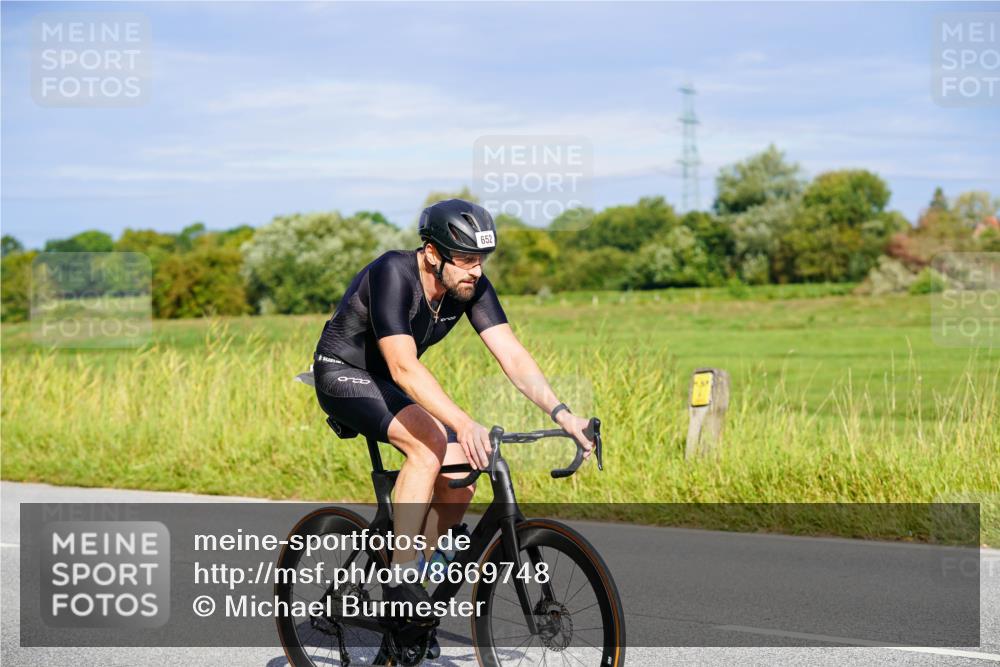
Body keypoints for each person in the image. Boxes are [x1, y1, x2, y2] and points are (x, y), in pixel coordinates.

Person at [312, 198, 594, 646]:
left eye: (480, 260)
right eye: (463, 260)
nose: (474, 271)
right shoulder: (392, 273)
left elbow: (513, 356)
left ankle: (412, 583)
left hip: (387, 380)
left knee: (463, 473)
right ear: (431, 254)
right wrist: (463, 422)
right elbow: (404, 368)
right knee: (427, 446)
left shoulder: (470, 287)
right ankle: (403, 584)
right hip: (342, 373)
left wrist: (563, 413)